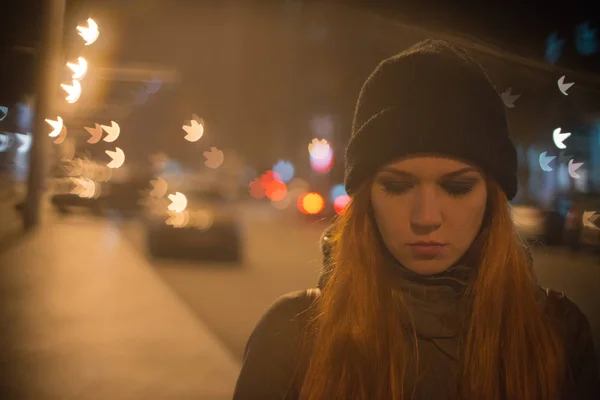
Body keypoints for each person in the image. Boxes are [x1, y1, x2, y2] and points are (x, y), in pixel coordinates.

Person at [233, 39, 599, 399]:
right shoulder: (291, 336)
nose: (426, 217)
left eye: (457, 188)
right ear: (365, 200)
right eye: (397, 186)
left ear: (492, 198)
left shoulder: (560, 335)